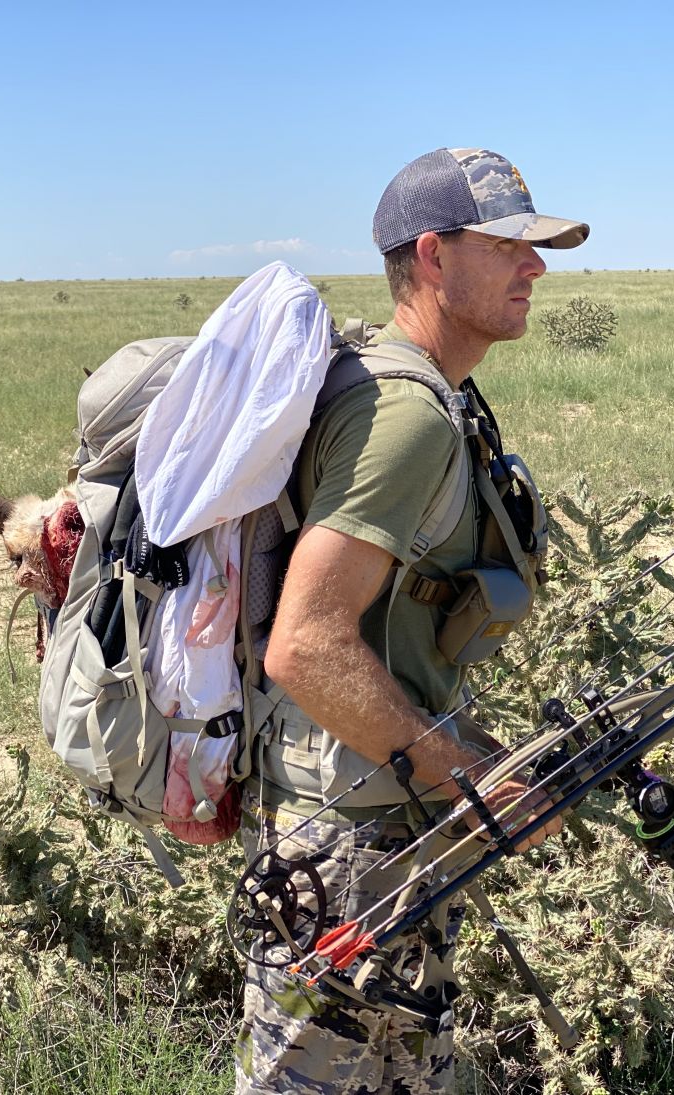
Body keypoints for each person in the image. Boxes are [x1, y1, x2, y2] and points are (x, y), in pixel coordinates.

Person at [237, 148, 590, 1095]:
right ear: (432, 256)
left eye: (537, 247)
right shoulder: (409, 416)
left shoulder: (430, 393)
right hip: (346, 842)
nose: (536, 266)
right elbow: (306, 642)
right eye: (510, 245)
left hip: (376, 819)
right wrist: (474, 777)